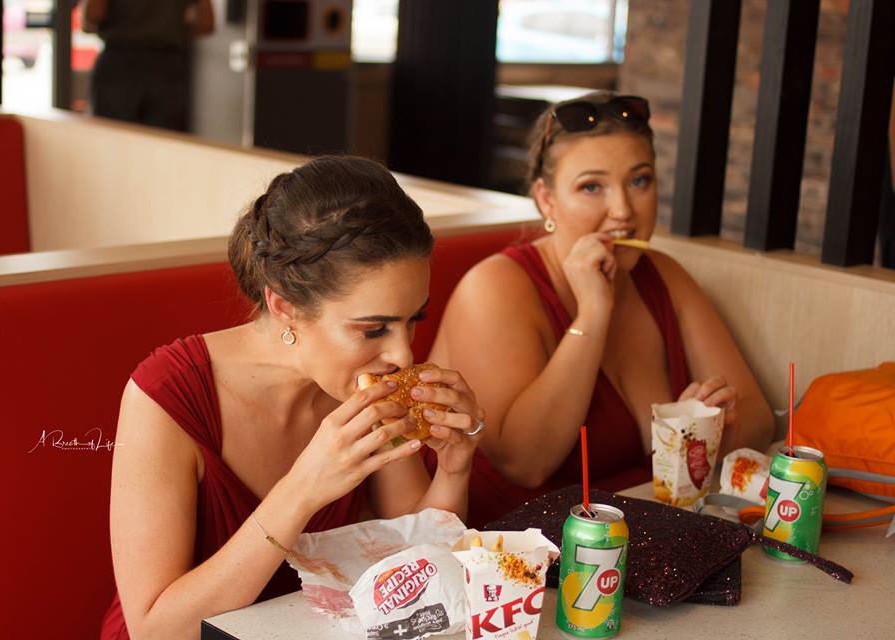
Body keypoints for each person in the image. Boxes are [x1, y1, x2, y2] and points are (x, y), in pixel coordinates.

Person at [99, 156, 484, 640]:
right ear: (285, 306)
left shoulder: (358, 387)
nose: (403, 353)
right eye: (373, 329)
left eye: (414, 320)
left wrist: (454, 466)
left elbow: (414, 554)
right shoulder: (165, 397)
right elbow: (155, 630)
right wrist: (303, 488)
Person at [428, 92, 775, 526]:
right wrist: (592, 314)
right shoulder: (494, 287)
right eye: (592, 186)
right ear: (546, 199)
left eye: (639, 181)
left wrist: (713, 433)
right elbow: (524, 461)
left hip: (648, 535)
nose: (623, 211)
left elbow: (760, 420)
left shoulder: (663, 275)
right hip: (520, 557)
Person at [82, 0, 215, 132]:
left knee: (113, 139)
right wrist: (170, 28)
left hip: (119, 62)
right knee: (164, 143)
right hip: (167, 66)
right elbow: (206, 24)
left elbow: (93, 16)